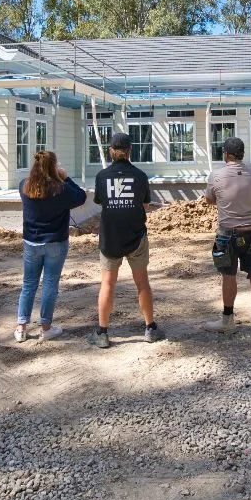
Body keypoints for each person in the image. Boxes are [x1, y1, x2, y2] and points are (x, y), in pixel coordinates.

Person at [88, 132, 165, 347]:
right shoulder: (140, 176)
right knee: (142, 282)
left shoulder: (102, 176)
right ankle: (150, 328)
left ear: (111, 151)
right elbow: (145, 205)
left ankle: (102, 333)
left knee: (107, 283)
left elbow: (101, 202)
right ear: (130, 151)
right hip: (136, 236)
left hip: (110, 238)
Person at [16, 151, 87, 342]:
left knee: (29, 283)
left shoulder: (24, 186)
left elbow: (36, 186)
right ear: (53, 167)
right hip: (55, 242)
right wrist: (66, 178)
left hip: (31, 242)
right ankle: (45, 327)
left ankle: (21, 327)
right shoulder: (61, 189)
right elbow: (81, 197)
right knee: (49, 284)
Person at [203, 136, 251, 333]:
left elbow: (209, 200)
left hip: (228, 234)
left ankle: (227, 320)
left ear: (226, 154)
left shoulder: (216, 175)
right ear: (242, 154)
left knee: (228, 275)